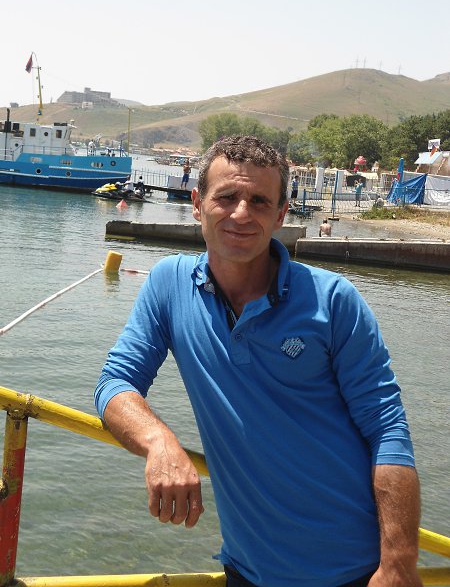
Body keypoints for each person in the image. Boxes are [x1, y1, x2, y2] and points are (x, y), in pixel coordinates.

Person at [95, 136, 422, 587]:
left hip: (355, 572)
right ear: (197, 204)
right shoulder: (168, 285)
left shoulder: (333, 301)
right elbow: (115, 383)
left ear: (281, 214)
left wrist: (398, 564)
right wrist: (159, 441)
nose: (241, 214)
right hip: (246, 572)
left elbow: (387, 429)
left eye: (259, 201)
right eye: (226, 197)